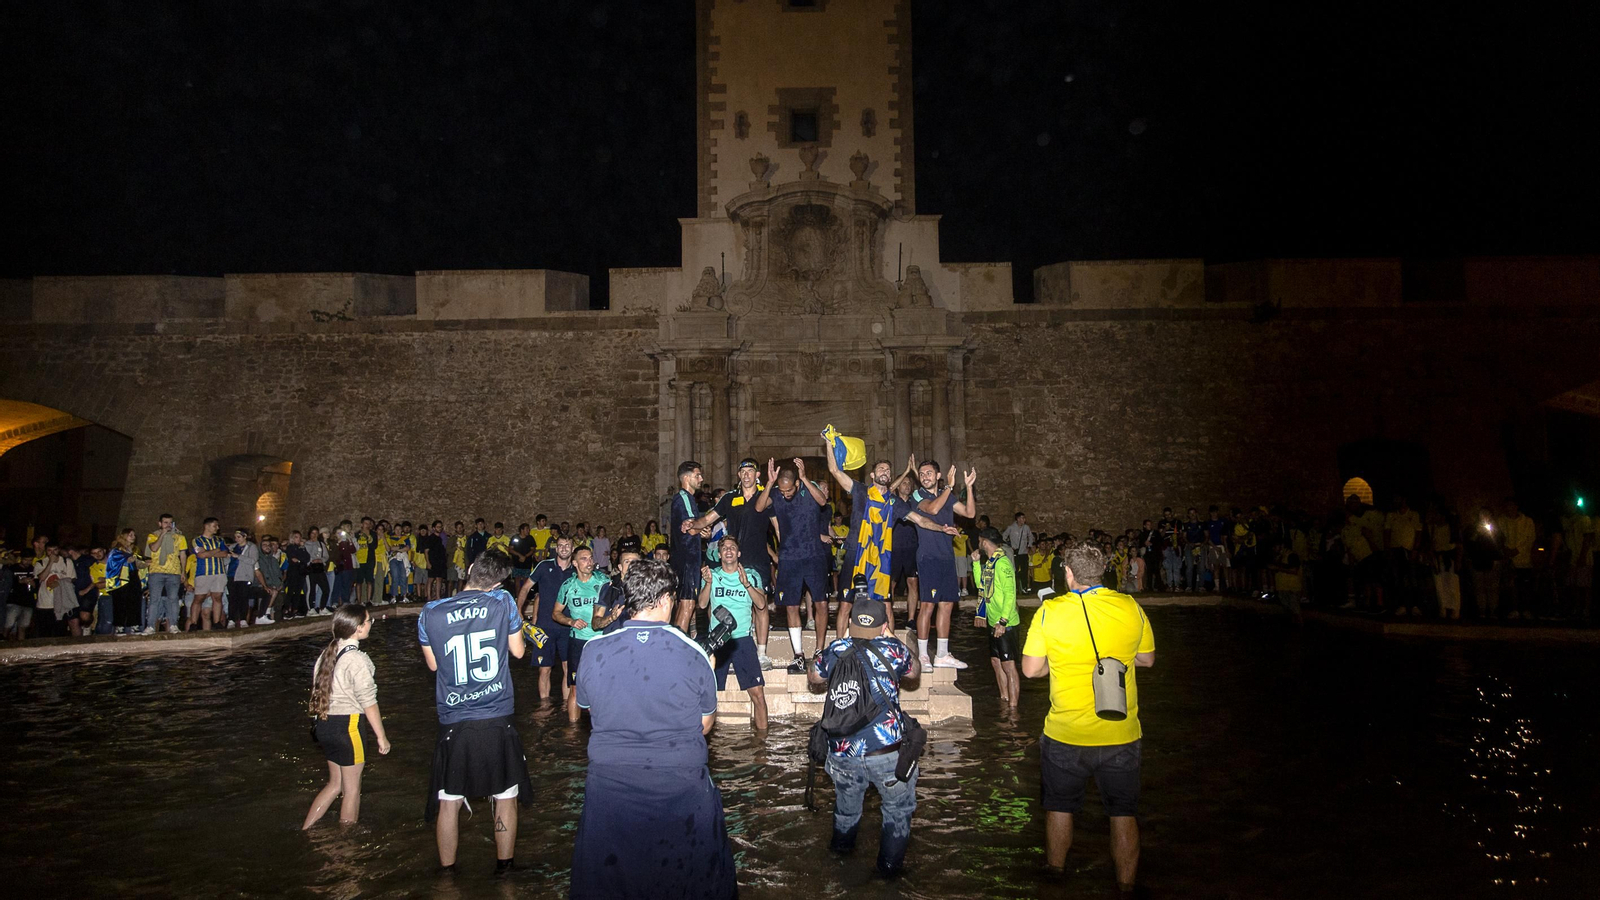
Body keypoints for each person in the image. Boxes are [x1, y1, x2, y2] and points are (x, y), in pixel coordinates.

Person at [570, 558, 736, 899]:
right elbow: (703, 726)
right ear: (664, 600)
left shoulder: (593, 650)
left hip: (611, 792)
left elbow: (586, 708)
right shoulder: (694, 653)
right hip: (678, 791)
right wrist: (708, 667)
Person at [1022, 541, 1155, 892]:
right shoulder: (1130, 606)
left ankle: (1055, 876)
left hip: (1066, 734)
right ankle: (1126, 887)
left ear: (1067, 573)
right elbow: (1147, 659)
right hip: (1121, 734)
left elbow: (1031, 670)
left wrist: (1063, 662)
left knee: (1059, 808)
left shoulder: (1050, 611)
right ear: (1103, 572)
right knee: (1123, 813)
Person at [418, 549, 529, 876]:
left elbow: (433, 664)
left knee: (449, 800)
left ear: (468, 570)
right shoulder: (503, 602)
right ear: (497, 583)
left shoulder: (430, 612)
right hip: (496, 716)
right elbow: (519, 652)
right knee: (506, 794)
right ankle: (504, 869)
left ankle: (448, 874)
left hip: (454, 719)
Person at [807, 594, 921, 877]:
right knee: (897, 811)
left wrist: (843, 639)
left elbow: (813, 676)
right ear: (883, 626)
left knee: (847, 811)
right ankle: (889, 873)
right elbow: (915, 671)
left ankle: (840, 864)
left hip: (844, 753)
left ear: (851, 624)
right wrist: (895, 636)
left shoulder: (837, 648)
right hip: (887, 753)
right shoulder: (894, 649)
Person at [822, 440, 959, 636]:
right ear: (873, 475)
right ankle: (839, 647)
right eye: (880, 469)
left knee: (886, 606)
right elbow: (835, 471)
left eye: (887, 469)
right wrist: (828, 444)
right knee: (845, 605)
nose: (884, 471)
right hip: (855, 554)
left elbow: (920, 520)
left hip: (880, 560)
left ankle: (891, 646)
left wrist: (941, 528)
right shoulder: (860, 491)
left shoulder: (894, 502)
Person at [303, 604, 391, 829]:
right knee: (352, 791)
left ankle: (307, 828)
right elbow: (368, 702)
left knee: (335, 784)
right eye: (369, 621)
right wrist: (381, 737)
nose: (371, 624)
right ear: (358, 628)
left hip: (325, 725)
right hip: (348, 728)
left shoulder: (326, 654)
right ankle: (346, 846)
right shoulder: (357, 660)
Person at [686, 457, 776, 667]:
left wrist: (783, 554)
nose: (746, 475)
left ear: (757, 475)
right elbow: (707, 519)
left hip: (758, 559)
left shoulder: (767, 496)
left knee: (760, 605)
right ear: (738, 475)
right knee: (716, 598)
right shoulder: (729, 498)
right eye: (742, 471)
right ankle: (717, 643)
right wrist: (692, 524)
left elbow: (777, 526)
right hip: (732, 558)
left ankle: (761, 652)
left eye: (750, 471)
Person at [758, 458, 832, 671]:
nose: (785, 494)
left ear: (796, 484)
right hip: (789, 557)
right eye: (782, 491)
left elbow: (822, 502)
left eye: (789, 490)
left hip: (813, 555)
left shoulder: (808, 489)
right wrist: (771, 483)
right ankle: (798, 654)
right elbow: (759, 506)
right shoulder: (777, 493)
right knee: (791, 605)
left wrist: (805, 478)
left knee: (821, 603)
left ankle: (819, 651)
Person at [699, 535, 769, 730]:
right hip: (717, 641)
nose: (728, 550)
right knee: (706, 694)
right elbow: (702, 603)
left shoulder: (751, 574)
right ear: (719, 554)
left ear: (738, 553)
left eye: (732, 547)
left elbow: (762, 604)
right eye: (724, 548)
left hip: (742, 640)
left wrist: (746, 583)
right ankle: (702, 743)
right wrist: (708, 583)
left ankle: (761, 745)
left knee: (758, 695)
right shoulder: (712, 574)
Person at [913, 461, 977, 670]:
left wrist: (968, 487)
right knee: (927, 605)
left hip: (947, 557)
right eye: (922, 474)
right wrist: (949, 487)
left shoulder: (947, 495)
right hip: (928, 557)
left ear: (938, 475)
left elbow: (969, 513)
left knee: (947, 604)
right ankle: (923, 655)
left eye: (929, 473)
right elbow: (931, 510)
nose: (925, 477)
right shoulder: (918, 496)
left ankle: (941, 654)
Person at [553, 547, 616, 723]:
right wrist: (570, 621)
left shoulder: (604, 581)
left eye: (590, 558)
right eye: (584, 559)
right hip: (578, 642)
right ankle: (573, 730)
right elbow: (556, 613)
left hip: (601, 641)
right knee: (575, 687)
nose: (590, 562)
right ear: (574, 563)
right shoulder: (568, 586)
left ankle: (603, 727)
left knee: (603, 686)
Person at [520, 536, 577, 700]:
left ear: (572, 549)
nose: (564, 548)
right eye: (560, 545)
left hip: (568, 626)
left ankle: (567, 706)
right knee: (544, 669)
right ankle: (544, 706)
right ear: (556, 548)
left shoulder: (576, 570)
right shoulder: (544, 566)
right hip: (545, 626)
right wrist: (519, 611)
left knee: (568, 668)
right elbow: (525, 588)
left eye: (567, 545)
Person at [973, 526, 1020, 708]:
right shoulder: (990, 563)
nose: (978, 545)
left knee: (1009, 665)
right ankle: (1004, 698)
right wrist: (976, 564)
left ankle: (1014, 707)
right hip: (993, 623)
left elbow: (1011, 594)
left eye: (979, 541)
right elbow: (981, 586)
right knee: (996, 662)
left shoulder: (1003, 563)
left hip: (1005, 623)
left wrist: (1003, 621)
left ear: (985, 541)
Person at [670, 460, 708, 633]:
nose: (701, 479)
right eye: (697, 475)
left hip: (686, 557)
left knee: (685, 603)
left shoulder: (688, 499)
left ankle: (679, 643)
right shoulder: (684, 497)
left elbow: (692, 526)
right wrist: (705, 524)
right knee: (688, 604)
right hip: (687, 558)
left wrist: (701, 529)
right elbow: (691, 528)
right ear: (686, 478)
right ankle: (679, 652)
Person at [144, 513, 188, 634]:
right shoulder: (153, 535)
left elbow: (183, 555)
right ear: (160, 524)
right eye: (165, 522)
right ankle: (150, 626)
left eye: (170, 523)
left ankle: (173, 625)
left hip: (174, 572)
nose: (168, 525)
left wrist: (183, 571)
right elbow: (153, 548)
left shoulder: (180, 537)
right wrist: (163, 534)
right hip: (156, 572)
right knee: (154, 599)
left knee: (173, 599)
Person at [1003, 512, 1034, 587]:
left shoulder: (1026, 528)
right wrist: (1009, 546)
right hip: (1015, 553)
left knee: (1024, 570)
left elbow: (1031, 537)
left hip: (1024, 552)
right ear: (1018, 519)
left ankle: (1024, 587)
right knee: (1014, 570)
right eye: (1022, 518)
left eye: (1024, 518)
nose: (1024, 520)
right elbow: (1004, 537)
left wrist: (1029, 545)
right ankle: (1015, 587)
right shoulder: (1011, 528)